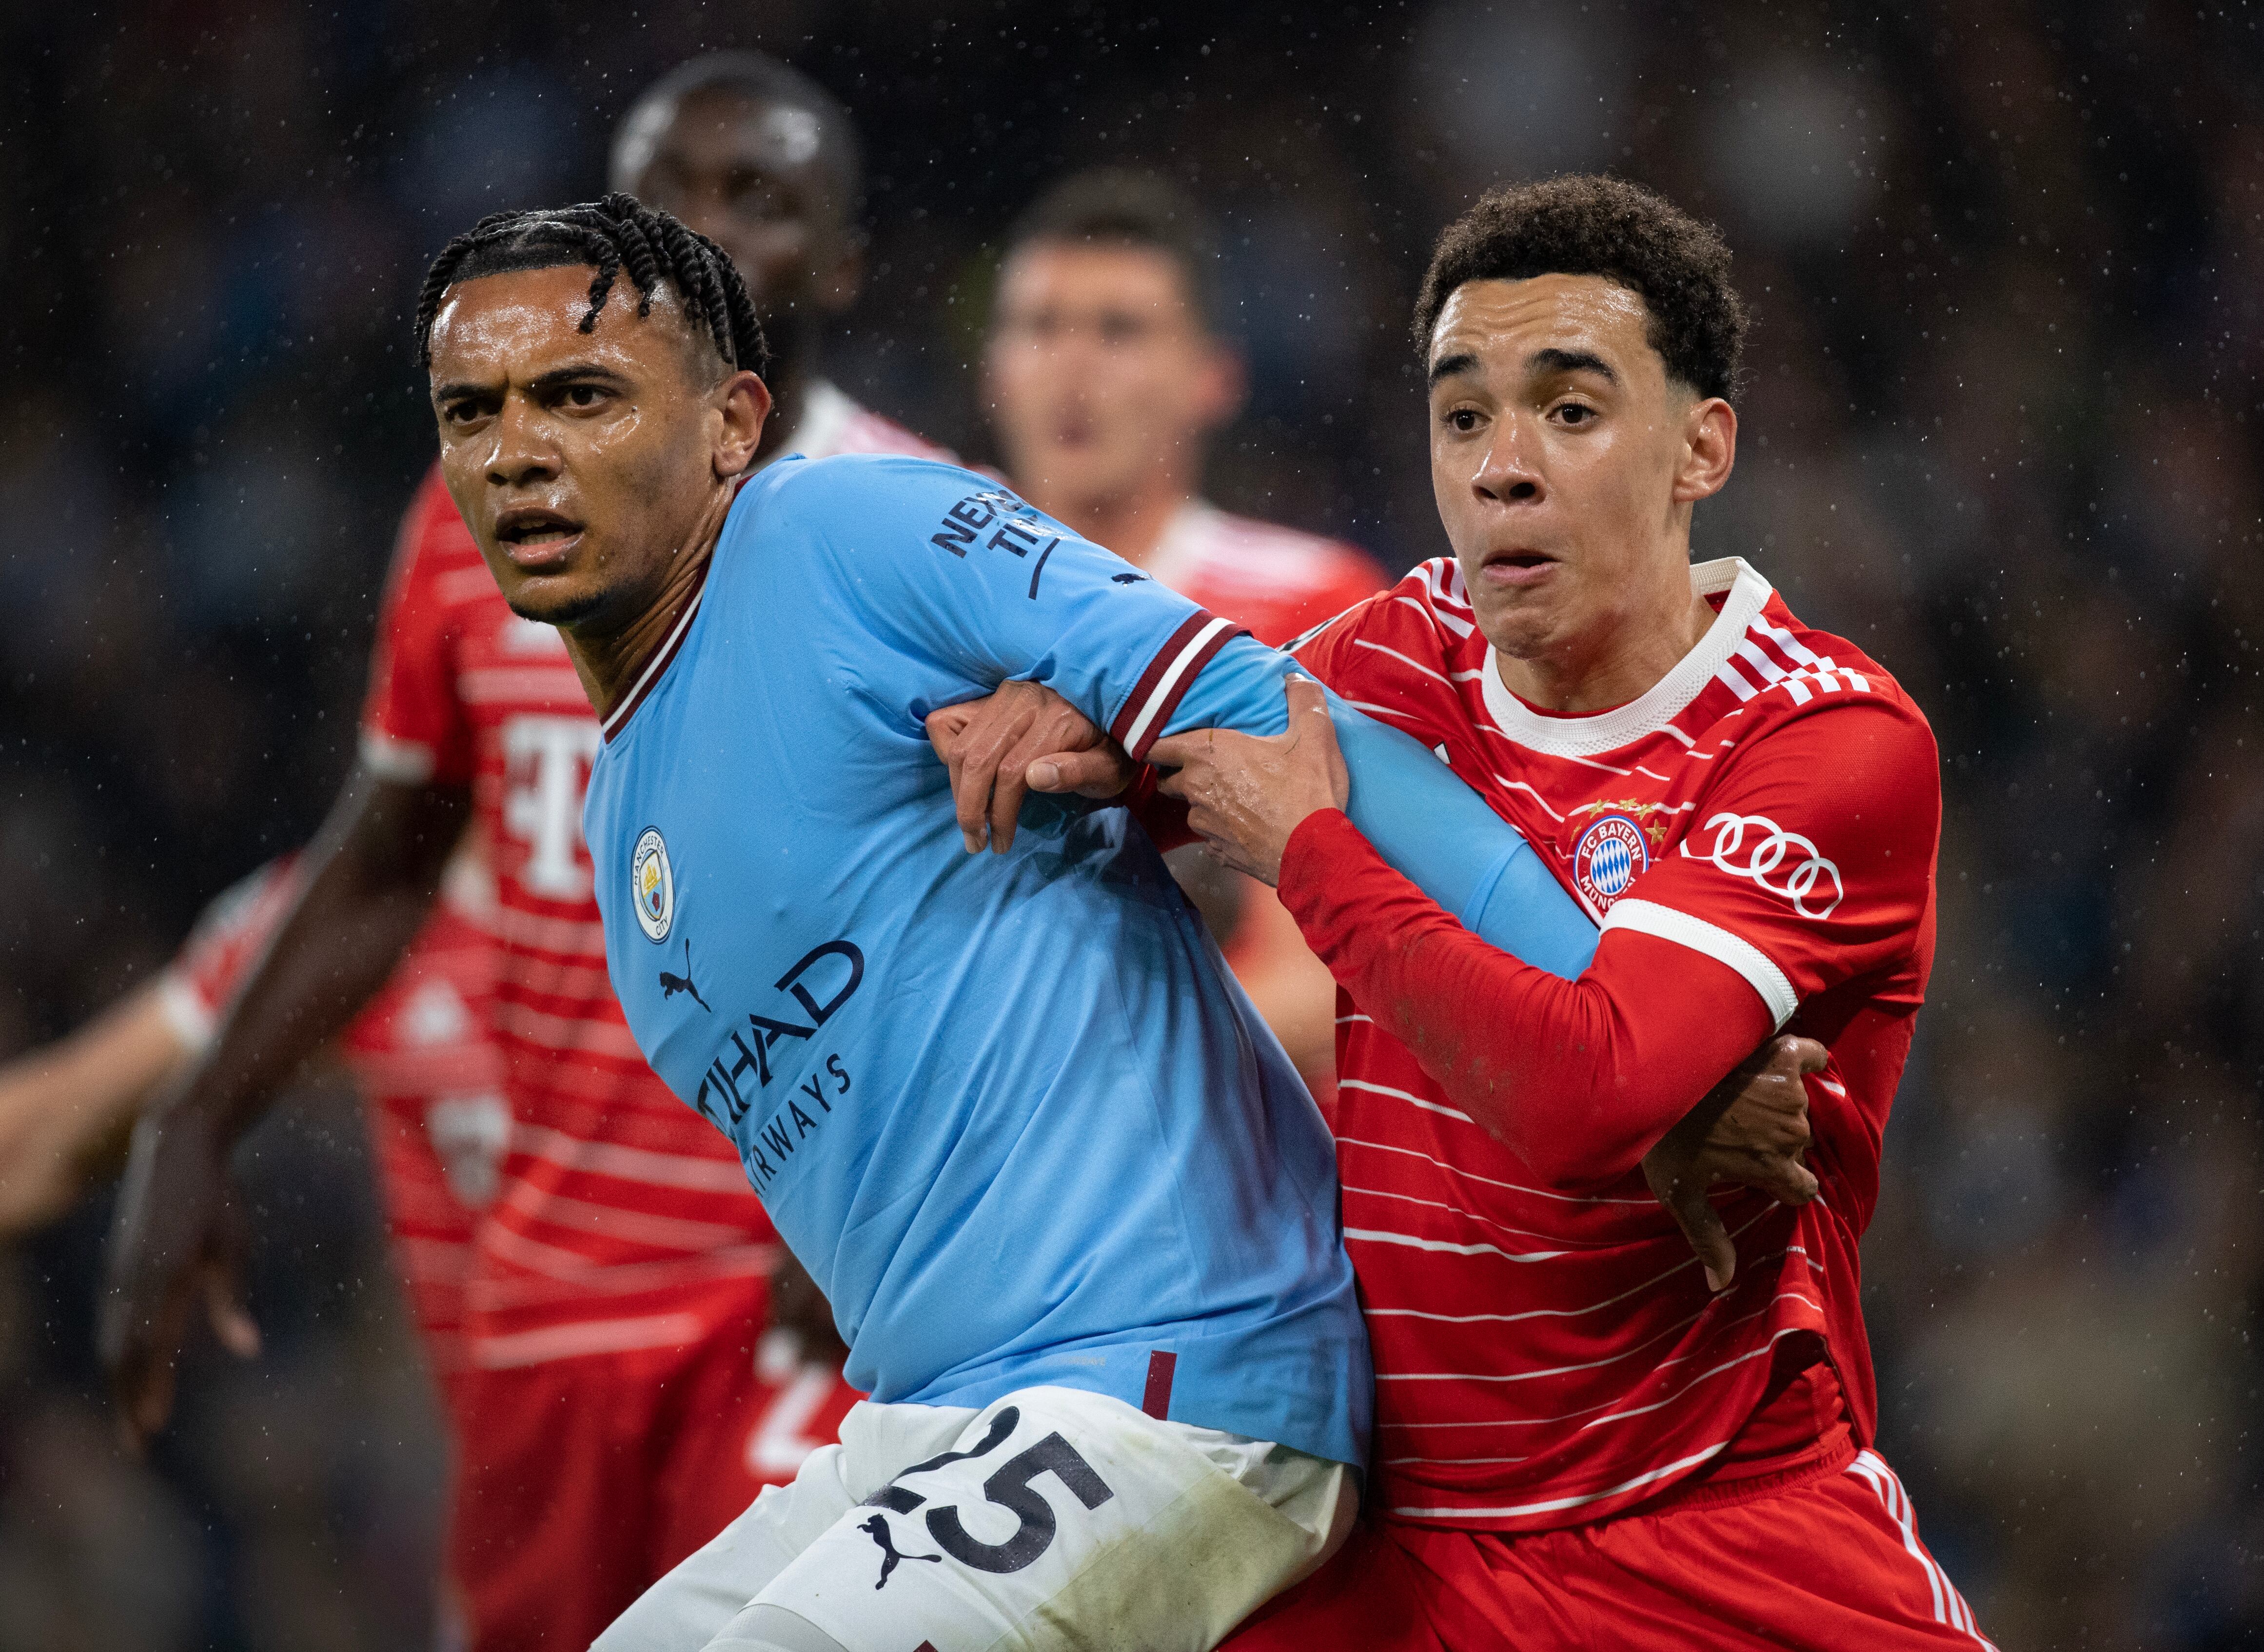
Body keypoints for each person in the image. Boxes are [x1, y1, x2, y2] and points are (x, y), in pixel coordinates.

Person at [408, 189, 1807, 1652]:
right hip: (928, 1418)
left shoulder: (833, 531)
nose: (521, 454)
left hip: (1176, 1375)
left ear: (732, 421)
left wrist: (1631, 1047)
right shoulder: (617, 812)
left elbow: (1291, 732)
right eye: (473, 411)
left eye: (579, 396)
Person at [956, 175, 1986, 1648]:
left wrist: (1312, 851)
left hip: (1710, 1527)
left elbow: (1584, 1094)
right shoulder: (1393, 654)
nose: (1502, 466)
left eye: (1569, 412)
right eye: (1461, 417)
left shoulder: (1825, 739)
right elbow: (1096, 760)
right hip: (1399, 1541)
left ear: (1703, 447)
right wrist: (1044, 718)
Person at [99, 52, 928, 1652]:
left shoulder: (919, 522)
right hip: (547, 1305)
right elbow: (393, 845)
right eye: (664, 197)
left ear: (839, 264)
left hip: (794, 1298)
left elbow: (1016, 908)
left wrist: (891, 1198)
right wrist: (199, 1117)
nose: (700, 233)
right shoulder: (483, 504)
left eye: (757, 200)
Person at [984, 169, 1383, 1097]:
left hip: (1251, 1196)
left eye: (1120, 330)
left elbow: (1334, 979)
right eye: (1041, 327)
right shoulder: (914, 613)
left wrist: (1050, 1080)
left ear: (1214, 376)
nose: (1072, 367)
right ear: (996, 367)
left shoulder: (1317, 607)